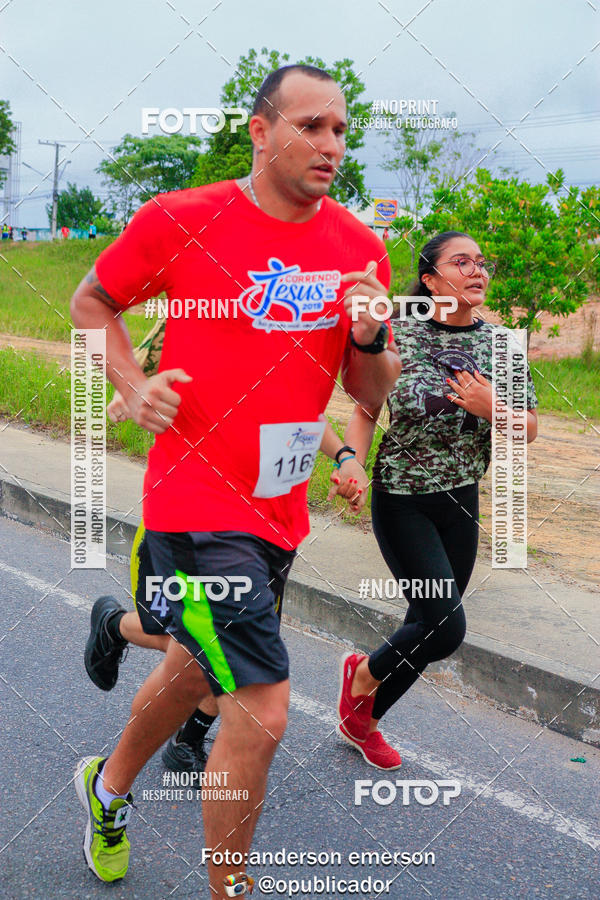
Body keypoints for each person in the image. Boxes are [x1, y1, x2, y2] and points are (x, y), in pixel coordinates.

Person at [70, 64, 401, 895]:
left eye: (340, 130)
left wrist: (369, 338)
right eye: (311, 126)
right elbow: (91, 303)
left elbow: (367, 391)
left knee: (193, 672)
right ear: (261, 131)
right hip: (194, 501)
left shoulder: (361, 250)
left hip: (277, 512)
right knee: (261, 704)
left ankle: (107, 788)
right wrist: (131, 385)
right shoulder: (182, 219)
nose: (330, 145)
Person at [85, 320, 369, 774]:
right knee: (185, 638)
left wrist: (345, 457)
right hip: (190, 519)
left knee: (227, 648)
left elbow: (305, 418)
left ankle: (187, 740)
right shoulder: (208, 316)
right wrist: (134, 389)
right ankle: (114, 626)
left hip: (264, 530)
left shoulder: (293, 339)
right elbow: (141, 361)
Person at [336, 230, 538, 770]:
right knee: (445, 626)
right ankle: (361, 677)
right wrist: (351, 462)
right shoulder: (398, 333)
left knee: (425, 624)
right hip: (402, 498)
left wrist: (492, 407)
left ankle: (364, 719)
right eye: (461, 262)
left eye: (481, 263)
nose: (478, 271)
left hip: (462, 501)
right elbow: (366, 407)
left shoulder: (501, 346)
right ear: (430, 279)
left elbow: (529, 428)